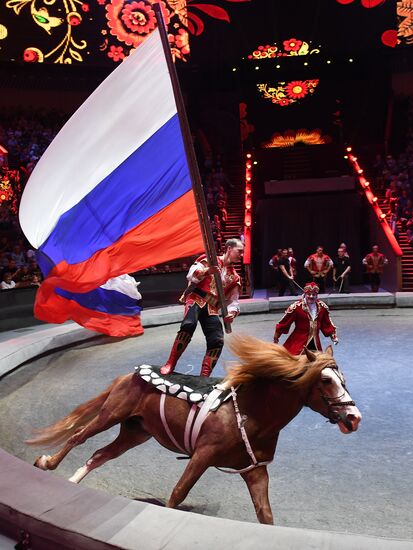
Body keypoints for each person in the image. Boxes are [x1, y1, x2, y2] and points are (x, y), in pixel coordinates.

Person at [161, 238, 244, 377]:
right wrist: (207, 271)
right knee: (188, 325)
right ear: (229, 248)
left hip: (212, 307)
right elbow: (191, 275)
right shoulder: (209, 260)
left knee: (217, 340)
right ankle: (170, 362)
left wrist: (231, 314)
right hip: (196, 298)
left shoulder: (235, 277)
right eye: (239, 251)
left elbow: (233, 301)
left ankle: (204, 377)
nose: (241, 255)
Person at [273, 282, 338, 355]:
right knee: (294, 361)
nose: (311, 296)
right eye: (309, 294)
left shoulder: (322, 307)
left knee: (317, 362)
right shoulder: (296, 307)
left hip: (315, 343)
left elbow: (326, 323)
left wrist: (333, 337)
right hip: (299, 341)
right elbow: (285, 322)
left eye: (314, 294)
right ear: (305, 294)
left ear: (317, 295)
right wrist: (276, 336)